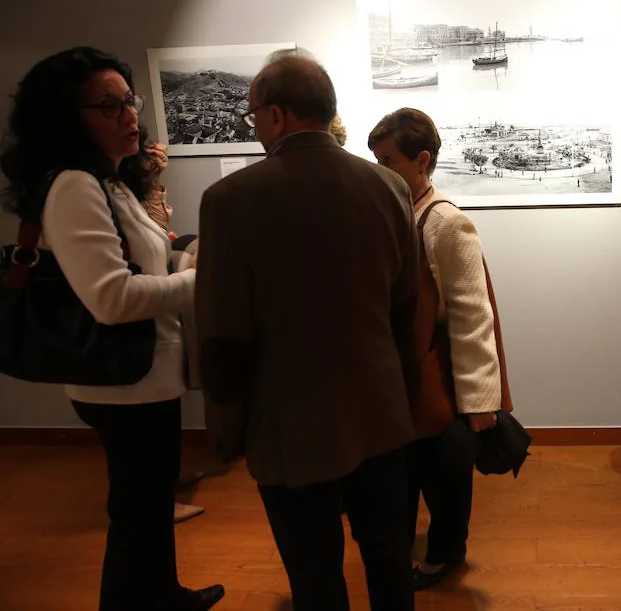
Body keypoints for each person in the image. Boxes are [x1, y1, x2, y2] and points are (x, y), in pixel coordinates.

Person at [0, 46, 224, 609]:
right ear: (67, 118)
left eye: (129, 100)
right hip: (123, 379)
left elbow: (142, 265)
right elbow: (113, 299)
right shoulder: (75, 185)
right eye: (109, 105)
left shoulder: (111, 180)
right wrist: (206, 281)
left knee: (147, 507)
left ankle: (163, 594)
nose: (129, 115)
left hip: (143, 377)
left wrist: (182, 261)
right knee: (136, 512)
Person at [195, 54, 419, 611]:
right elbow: (407, 305)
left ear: (275, 115)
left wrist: (225, 427)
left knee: (314, 574)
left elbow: (224, 332)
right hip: (382, 413)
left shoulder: (229, 200)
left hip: (289, 423)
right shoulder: (389, 187)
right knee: (390, 563)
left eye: (253, 117)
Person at [368, 108, 512, 590]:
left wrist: (480, 401)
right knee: (410, 471)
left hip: (440, 380)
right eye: (376, 158)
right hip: (408, 377)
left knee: (445, 476)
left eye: (387, 158)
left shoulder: (445, 222)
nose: (379, 167)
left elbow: (473, 318)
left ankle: (446, 553)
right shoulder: (398, 213)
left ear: (422, 159)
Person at [119, 133, 206, 524]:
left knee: (160, 432)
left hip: (153, 347)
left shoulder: (127, 197)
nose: (165, 205)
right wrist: (193, 277)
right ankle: (158, 498)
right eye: (157, 195)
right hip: (133, 353)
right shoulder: (114, 198)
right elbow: (121, 292)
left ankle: (165, 484)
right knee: (142, 442)